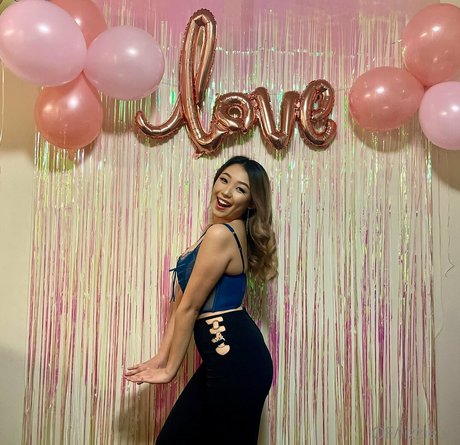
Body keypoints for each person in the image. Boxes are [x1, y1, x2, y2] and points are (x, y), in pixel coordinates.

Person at [124, 156, 277, 444]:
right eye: (224, 180)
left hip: (238, 359)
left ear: (251, 202)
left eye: (240, 189)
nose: (226, 192)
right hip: (224, 359)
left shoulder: (221, 234)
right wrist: (161, 358)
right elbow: (181, 303)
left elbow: (190, 308)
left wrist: (170, 370)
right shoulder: (213, 233)